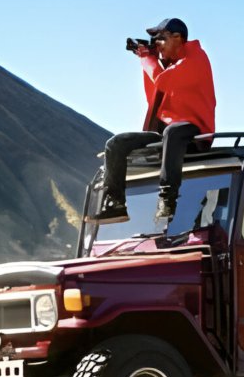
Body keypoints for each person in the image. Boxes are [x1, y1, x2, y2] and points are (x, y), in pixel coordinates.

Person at [86, 17, 216, 224]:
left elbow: (162, 81)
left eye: (161, 39)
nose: (157, 44)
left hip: (195, 132)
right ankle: (115, 204)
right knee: (116, 143)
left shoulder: (196, 58)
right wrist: (152, 57)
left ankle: (168, 199)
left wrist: (147, 57)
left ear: (178, 37)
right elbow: (154, 94)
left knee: (173, 132)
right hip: (167, 134)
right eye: (154, 40)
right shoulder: (170, 64)